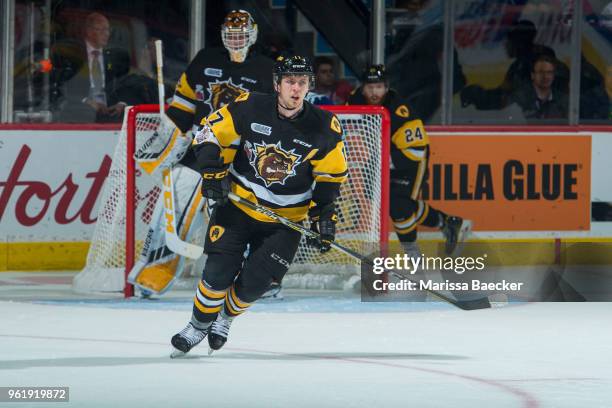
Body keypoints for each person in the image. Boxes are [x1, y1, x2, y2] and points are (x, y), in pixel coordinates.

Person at [170, 55, 348, 356]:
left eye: (302, 83)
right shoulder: (250, 105)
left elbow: (330, 177)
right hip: (238, 207)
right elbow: (209, 133)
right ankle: (198, 326)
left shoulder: (324, 126)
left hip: (284, 221)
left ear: (309, 87)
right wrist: (213, 172)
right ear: (277, 84)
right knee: (217, 273)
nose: (296, 88)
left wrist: (323, 215)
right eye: (290, 82)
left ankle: (224, 318)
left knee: (255, 285)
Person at [127, 10, 276, 296]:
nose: (235, 41)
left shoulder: (266, 69)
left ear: (253, 36)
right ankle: (154, 271)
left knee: (248, 214)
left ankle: (260, 278)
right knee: (173, 202)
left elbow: (274, 117)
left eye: (241, 35)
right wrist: (165, 139)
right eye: (230, 35)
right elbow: (183, 107)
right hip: (203, 145)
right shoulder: (205, 60)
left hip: (245, 153)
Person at [347, 65, 469, 257]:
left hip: (410, 156)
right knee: (391, 203)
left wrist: (382, 161)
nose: (373, 92)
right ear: (362, 88)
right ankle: (449, 222)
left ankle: (414, 258)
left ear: (386, 87)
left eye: (378, 87)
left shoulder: (399, 110)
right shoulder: (354, 100)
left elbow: (416, 150)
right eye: (369, 87)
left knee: (398, 206)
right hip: (381, 155)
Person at [50, 12, 129, 123]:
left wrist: (121, 103)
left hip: (109, 110)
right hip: (80, 109)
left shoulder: (115, 56)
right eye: (101, 30)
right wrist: (86, 101)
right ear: (89, 31)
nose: (106, 34)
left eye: (107, 30)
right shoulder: (73, 53)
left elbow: (124, 83)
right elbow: (62, 85)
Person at [509, 54, 568, 122]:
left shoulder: (564, 101)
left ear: (553, 75)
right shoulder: (517, 99)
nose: (545, 76)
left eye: (549, 72)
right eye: (541, 72)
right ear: (532, 75)